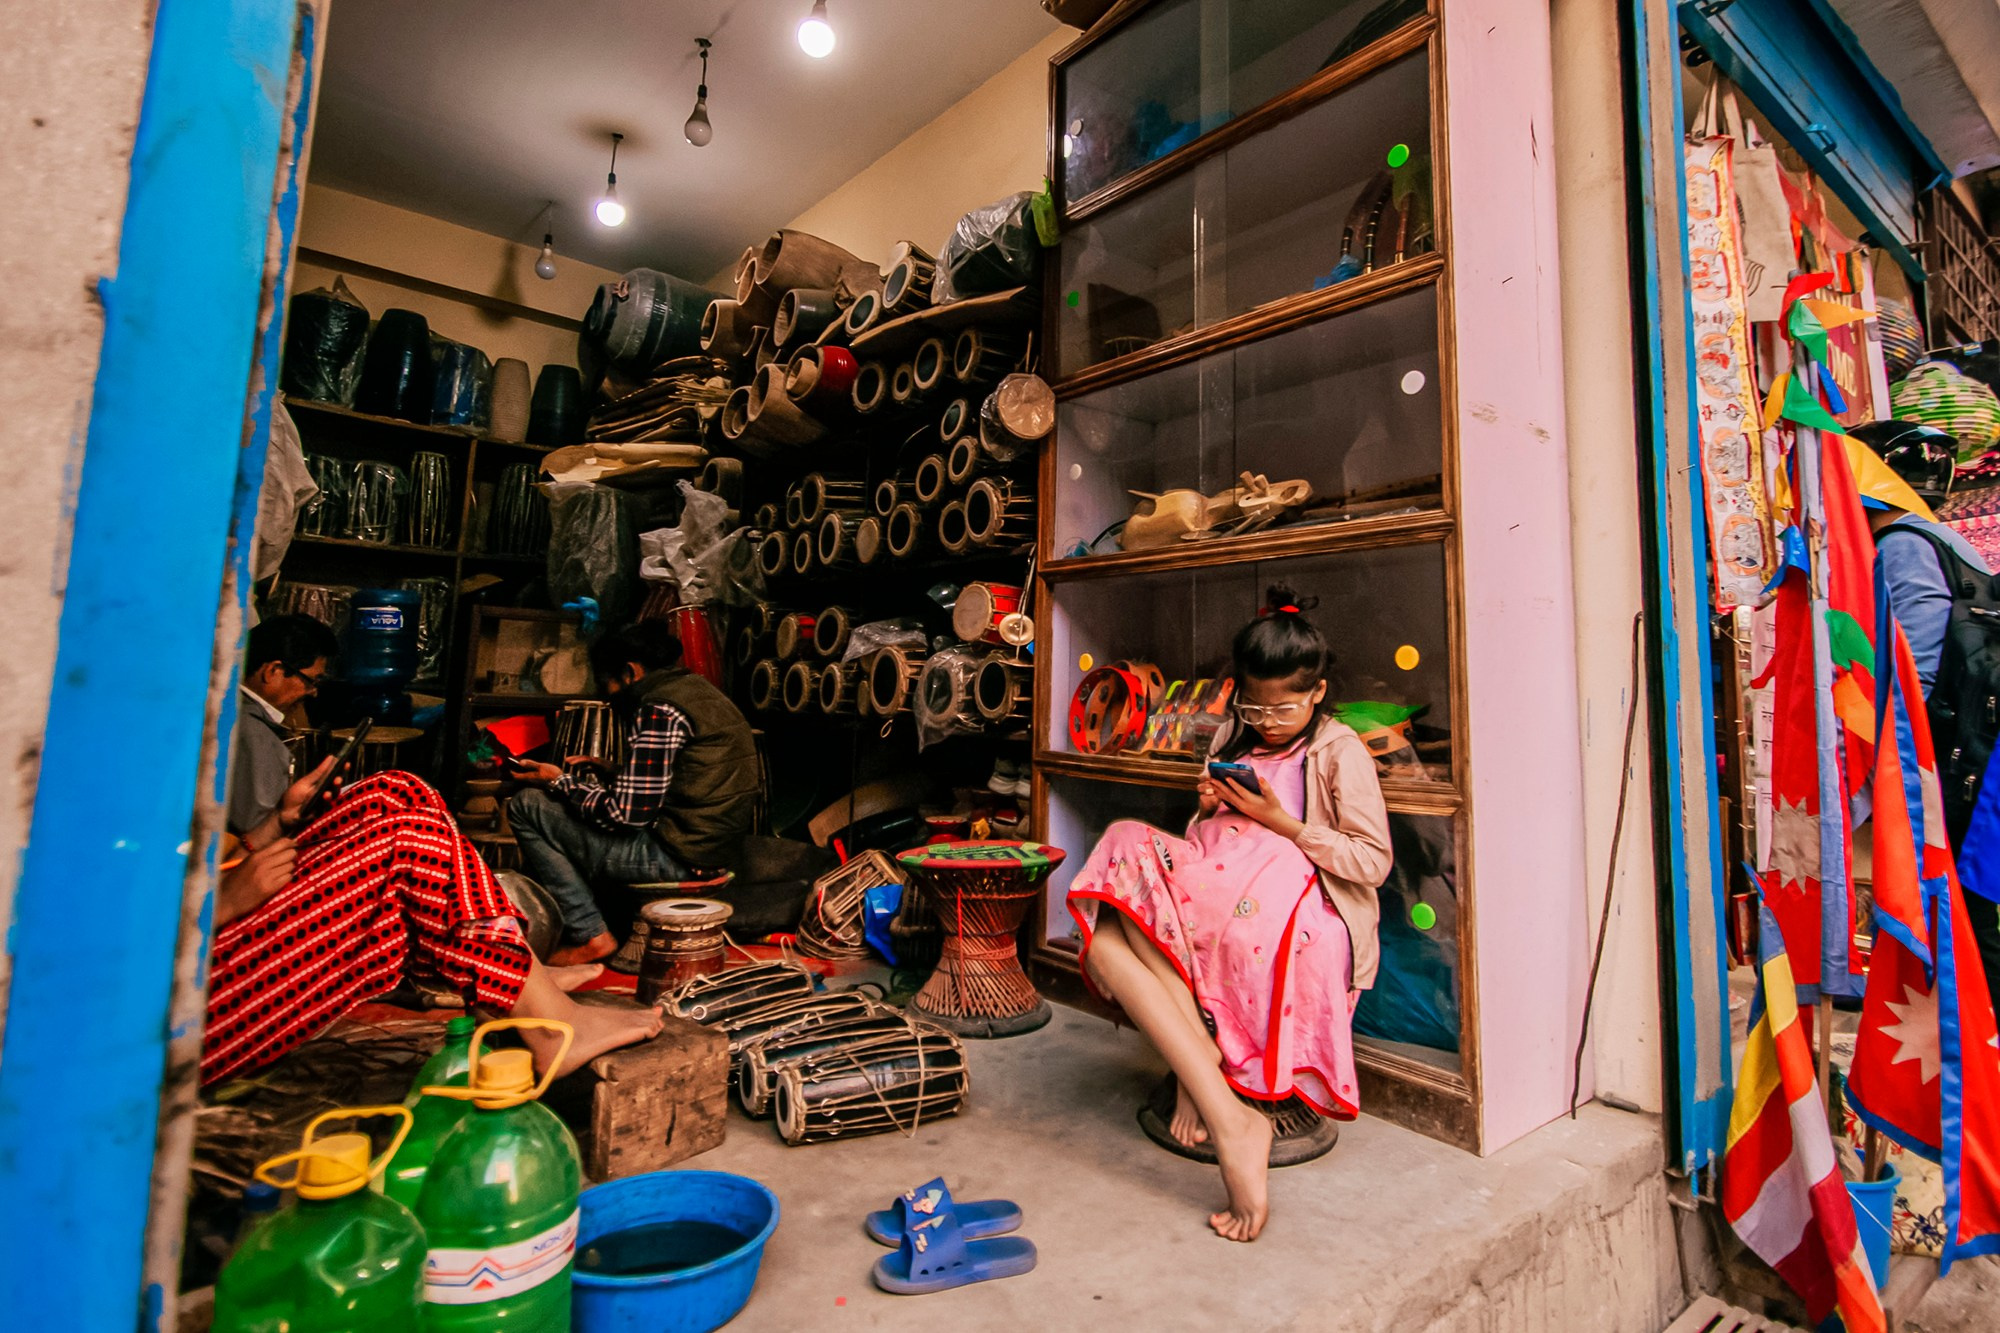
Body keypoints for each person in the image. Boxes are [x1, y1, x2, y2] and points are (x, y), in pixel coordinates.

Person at [1064, 586, 1393, 1242]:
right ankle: (1211, 1075)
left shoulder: (1339, 749)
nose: (1267, 720)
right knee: (1117, 865)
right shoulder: (1232, 736)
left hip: (1285, 889)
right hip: (1217, 876)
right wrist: (1212, 808)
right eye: (1253, 705)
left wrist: (1282, 820)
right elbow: (1210, 839)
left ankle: (1208, 1087)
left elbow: (1372, 860)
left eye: (1284, 707)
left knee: (1109, 940)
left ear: (1318, 691)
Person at [208, 618, 661, 1085]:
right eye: (310, 681)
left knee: (396, 789)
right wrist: (221, 901)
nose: (312, 693)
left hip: (217, 900)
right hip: (194, 987)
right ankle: (547, 1024)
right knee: (413, 842)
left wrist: (272, 826)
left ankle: (515, 979)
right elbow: (628, 812)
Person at [509, 620, 760, 965]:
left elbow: (625, 816)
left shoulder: (659, 709)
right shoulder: (699, 691)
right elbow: (689, 779)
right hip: (712, 853)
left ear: (630, 672)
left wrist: (558, 781)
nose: (607, 695)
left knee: (527, 805)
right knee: (572, 800)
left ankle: (590, 934)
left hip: (677, 859)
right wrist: (614, 771)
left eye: (606, 683)